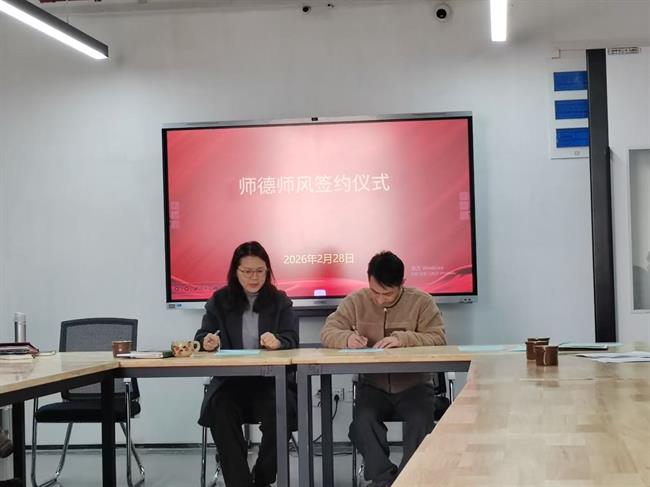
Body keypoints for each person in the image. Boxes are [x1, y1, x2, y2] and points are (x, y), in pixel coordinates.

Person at [320, 251, 447, 487]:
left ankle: (410, 479)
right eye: (374, 292)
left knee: (420, 421)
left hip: (414, 386)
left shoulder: (421, 302)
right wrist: (346, 338)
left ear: (402, 284)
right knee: (362, 422)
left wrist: (403, 339)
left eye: (387, 294)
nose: (379, 300)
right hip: (373, 386)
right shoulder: (356, 301)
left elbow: (438, 337)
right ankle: (383, 480)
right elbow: (328, 331)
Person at [194, 241, 298, 487]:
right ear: (235, 271)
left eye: (260, 271)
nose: (254, 277)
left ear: (268, 271)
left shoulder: (280, 301)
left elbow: (292, 338)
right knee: (219, 409)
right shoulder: (220, 301)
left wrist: (279, 342)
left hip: (269, 382)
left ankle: (262, 479)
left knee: (280, 411)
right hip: (231, 382)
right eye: (247, 271)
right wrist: (207, 342)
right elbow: (201, 336)